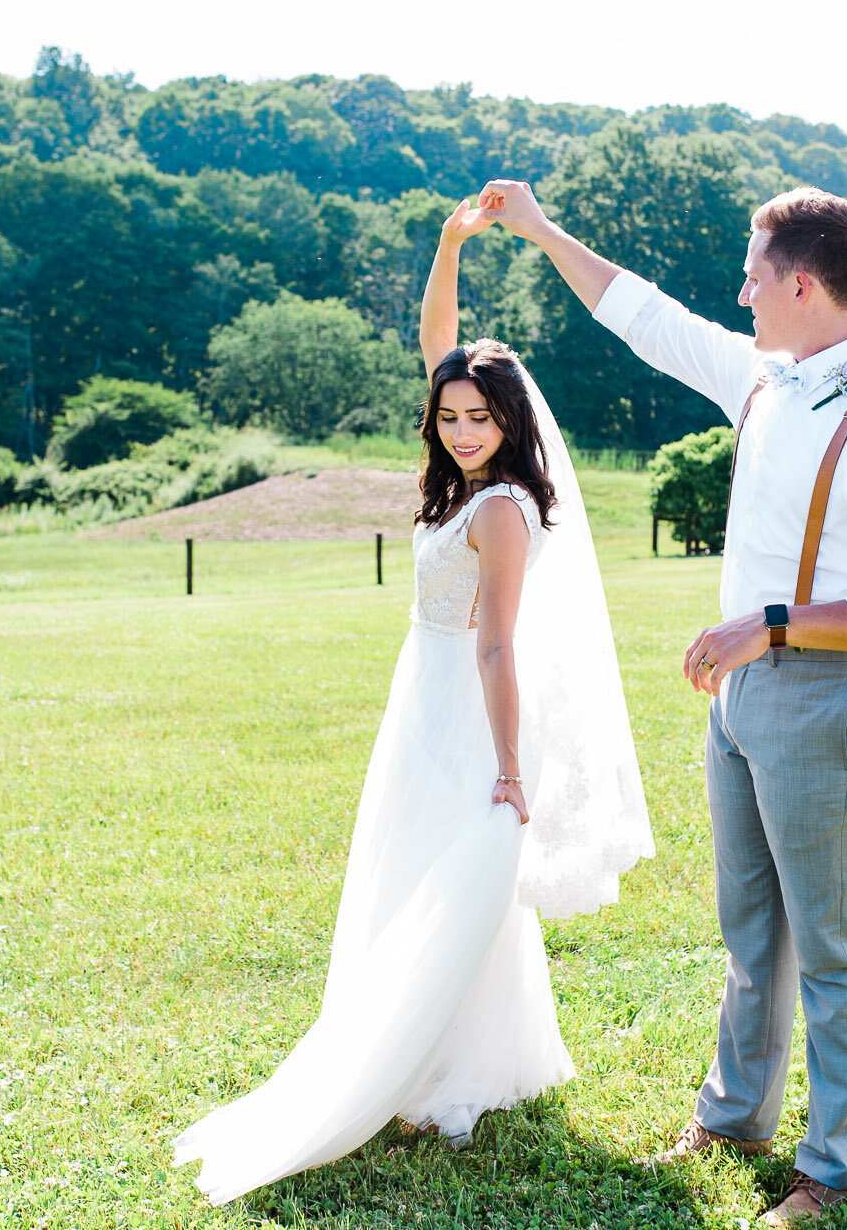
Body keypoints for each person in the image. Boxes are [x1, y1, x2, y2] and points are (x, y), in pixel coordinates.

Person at [476, 179, 847, 1226]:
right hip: (744, 699)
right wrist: (543, 230)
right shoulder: (763, 379)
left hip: (828, 701)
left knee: (828, 942)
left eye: (751, 275)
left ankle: (832, 1168)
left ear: (796, 281)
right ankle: (735, 1114)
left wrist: (770, 624)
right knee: (749, 928)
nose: (737, 293)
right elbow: (644, 317)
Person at [172, 198, 654, 1204]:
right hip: (419, 698)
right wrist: (445, 245)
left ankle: (420, 1070)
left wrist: (513, 767)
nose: (464, 428)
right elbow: (441, 343)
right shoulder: (455, 487)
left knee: (454, 883)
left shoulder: (505, 511)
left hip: (470, 718)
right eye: (450, 415)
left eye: (481, 417)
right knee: (410, 870)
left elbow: (495, 644)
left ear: (511, 423)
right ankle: (472, 1055)